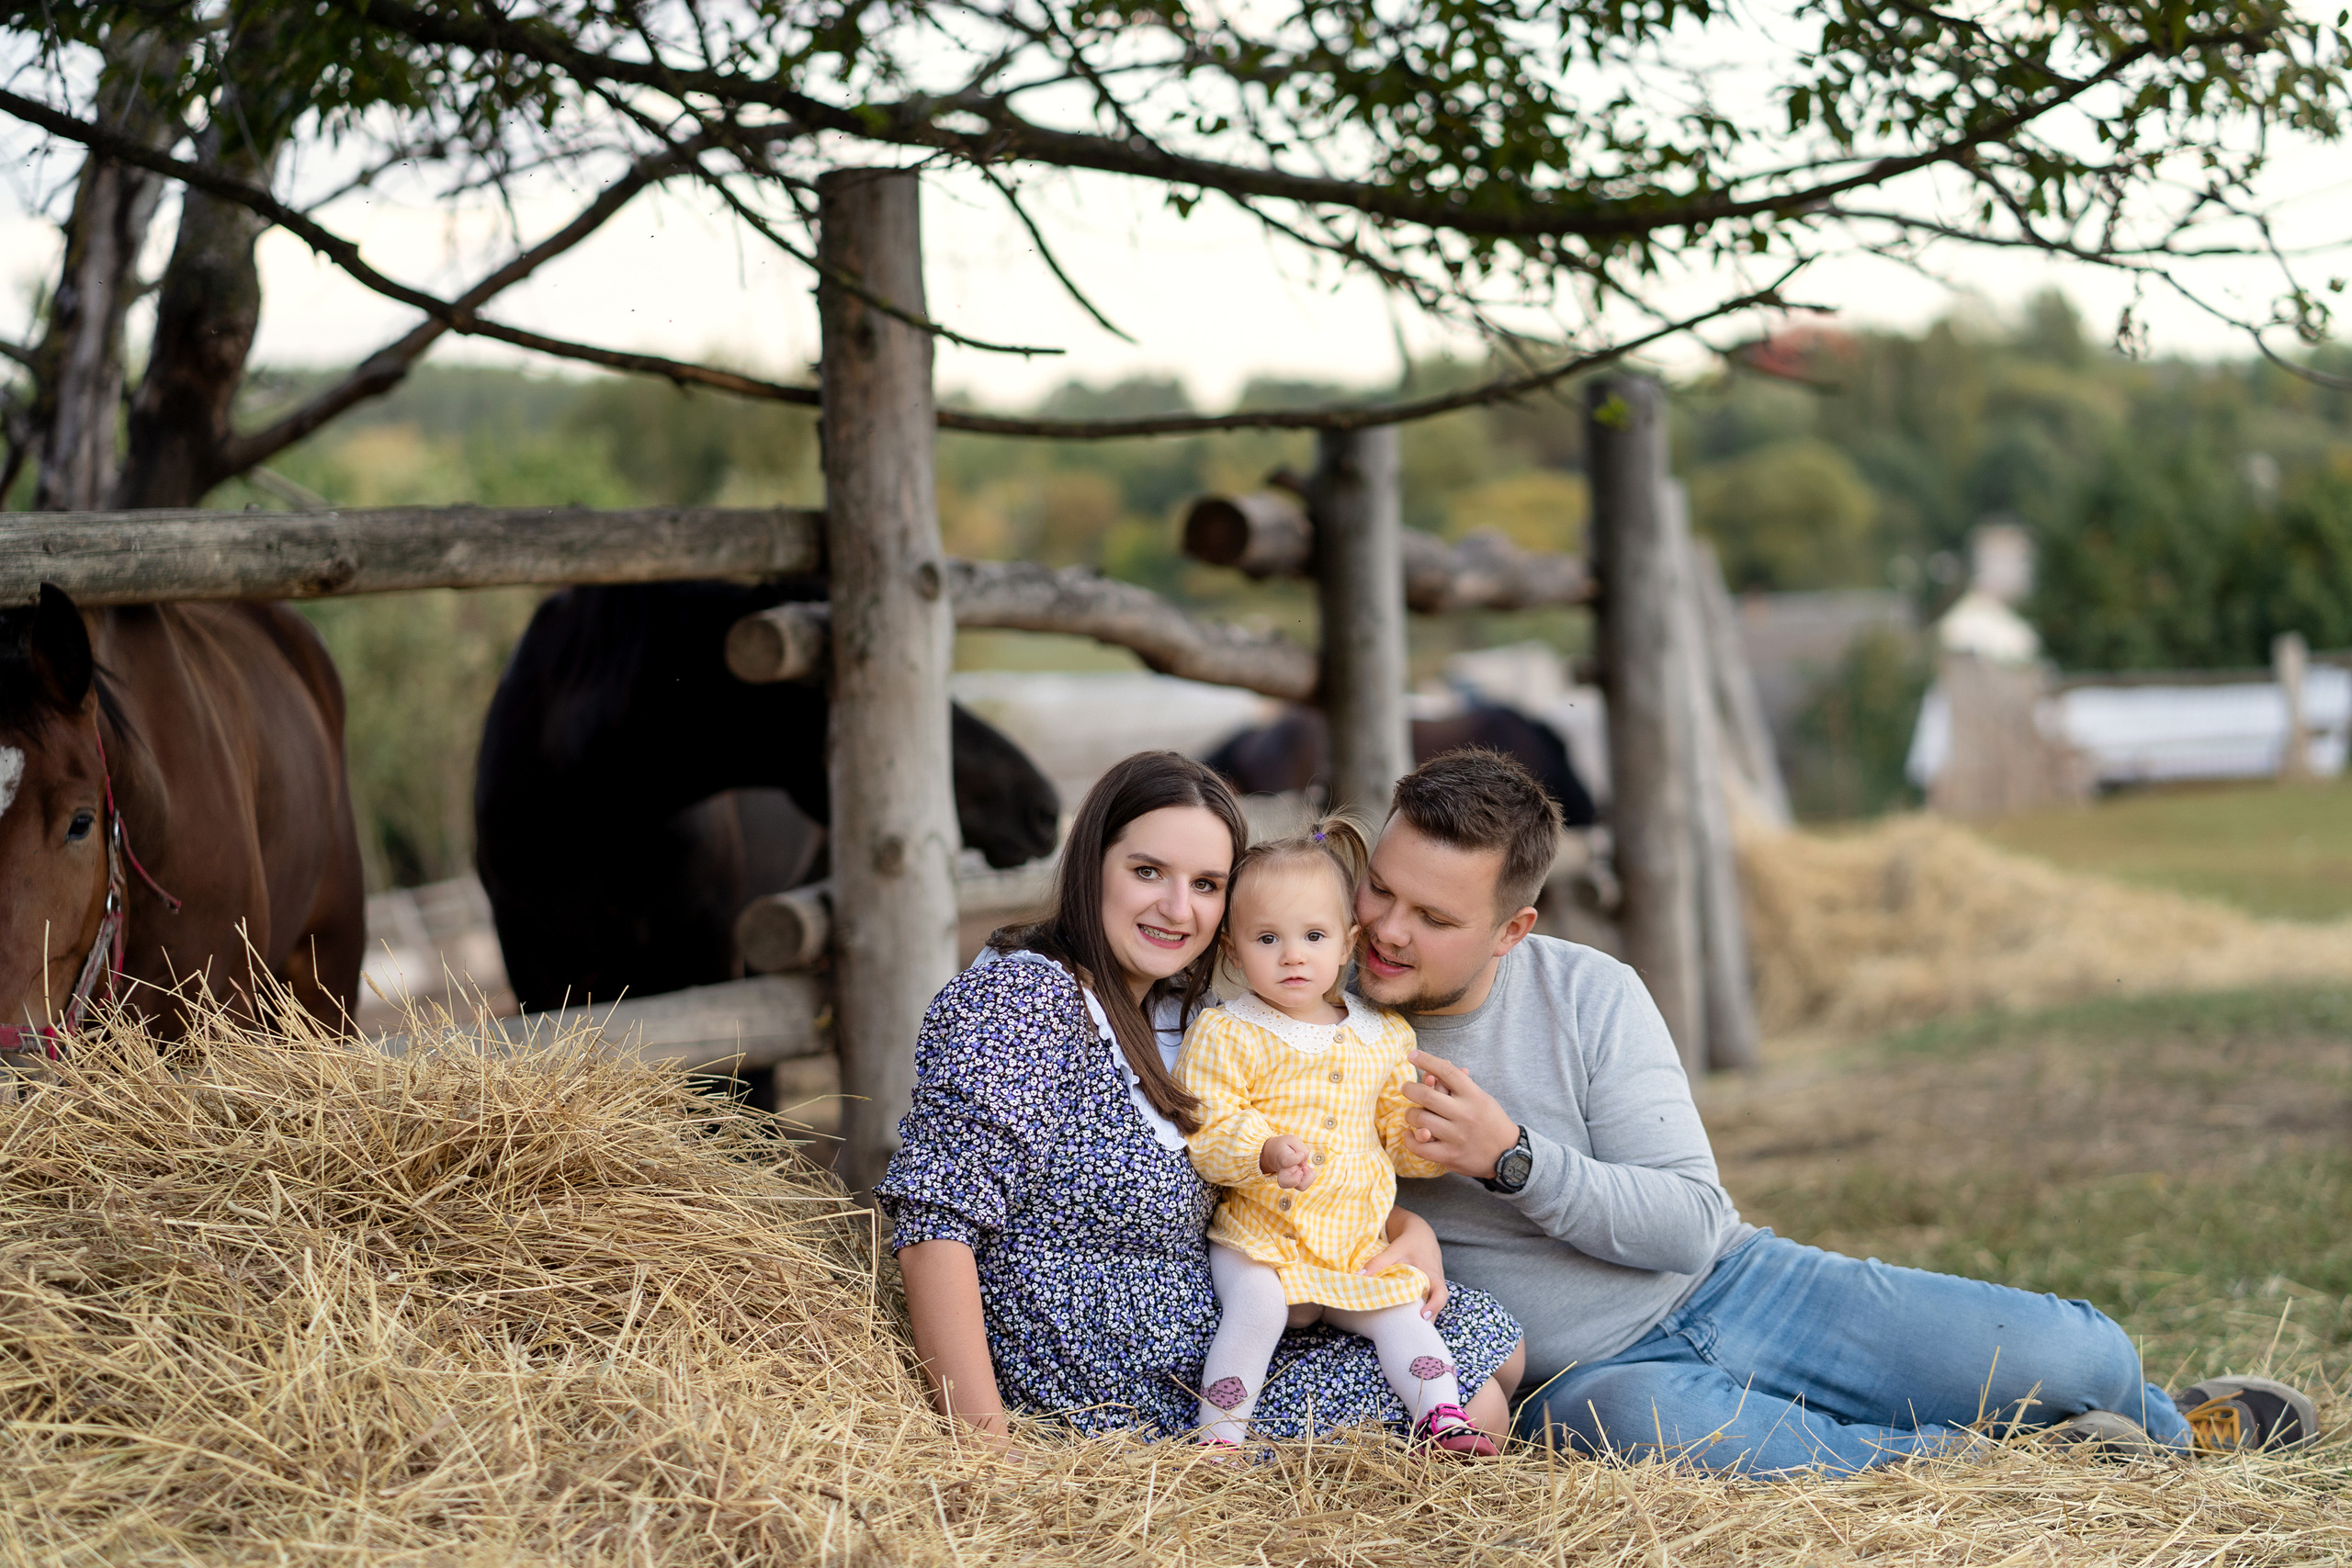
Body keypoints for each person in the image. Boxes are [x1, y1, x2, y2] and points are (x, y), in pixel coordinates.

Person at [1358, 747, 2319, 1474]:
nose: (1388, 932)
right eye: (1380, 891)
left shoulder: (1589, 993)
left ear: (1512, 931)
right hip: (1580, 1378)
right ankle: (2030, 1466)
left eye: (1434, 919)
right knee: (1667, 1429)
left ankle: (2161, 1430)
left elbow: (1687, 1224)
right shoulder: (1314, 1029)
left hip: (1731, 1284)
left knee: (2081, 1352)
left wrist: (1513, 1157)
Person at [875, 751, 1525, 1450]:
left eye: (1207, 884)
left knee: (1493, 1342)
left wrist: (1404, 1224)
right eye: (1147, 871)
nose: (1178, 908)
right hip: (1100, 1376)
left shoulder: (1184, 1012)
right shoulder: (1024, 999)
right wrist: (985, 1452)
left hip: (1206, 1331)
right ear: (1093, 862)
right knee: (1481, 1394)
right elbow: (936, 1225)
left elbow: (1272, 1162)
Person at [1177, 814, 1499, 1456]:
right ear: (1234, 951)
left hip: (1353, 1244)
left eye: (1314, 935)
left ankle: (1442, 1416)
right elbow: (1208, 1122)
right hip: (1262, 1237)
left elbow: (1395, 1137)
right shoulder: (1229, 1030)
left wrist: (1424, 1125)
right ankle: (1219, 1439)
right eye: (1268, 938)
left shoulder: (1382, 1034)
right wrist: (1264, 1150)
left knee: (1403, 1309)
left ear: (1348, 944)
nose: (1293, 955)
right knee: (1257, 1308)